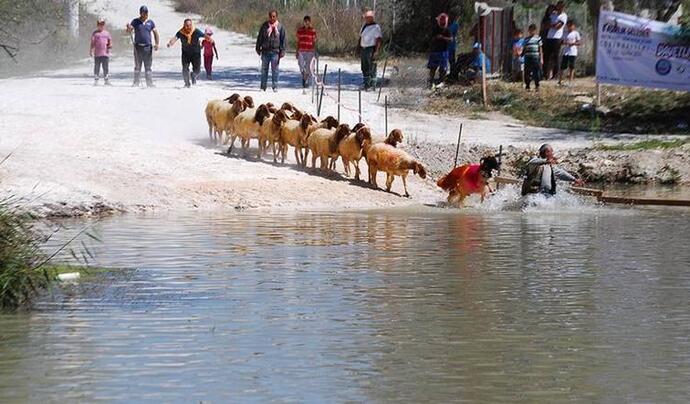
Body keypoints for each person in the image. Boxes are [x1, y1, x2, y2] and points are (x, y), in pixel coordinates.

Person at [126, 5, 159, 88]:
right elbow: (129, 31)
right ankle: (136, 82)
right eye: (143, 12)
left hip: (148, 47)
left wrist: (157, 43)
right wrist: (128, 28)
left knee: (148, 66)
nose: (144, 14)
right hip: (138, 47)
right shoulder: (135, 21)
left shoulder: (150, 22)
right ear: (140, 13)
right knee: (137, 65)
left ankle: (149, 83)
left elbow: (155, 33)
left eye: (146, 12)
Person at [167, 18, 204, 88]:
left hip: (196, 54)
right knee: (185, 69)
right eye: (186, 25)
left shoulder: (196, 31)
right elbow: (175, 38)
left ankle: (193, 75)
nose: (188, 27)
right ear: (184, 25)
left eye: (189, 25)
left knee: (197, 70)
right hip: (186, 54)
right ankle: (187, 83)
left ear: (191, 25)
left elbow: (204, 36)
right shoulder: (181, 32)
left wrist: (211, 40)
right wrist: (170, 43)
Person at [255, 9, 286, 92]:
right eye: (271, 16)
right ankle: (263, 87)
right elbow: (260, 38)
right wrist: (258, 47)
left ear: (276, 17)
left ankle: (275, 86)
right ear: (268, 17)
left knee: (275, 70)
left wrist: (282, 51)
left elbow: (283, 39)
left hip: (275, 51)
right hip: (265, 51)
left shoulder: (280, 27)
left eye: (274, 16)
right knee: (264, 70)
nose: (272, 18)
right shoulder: (264, 26)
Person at [358, 9, 382, 91]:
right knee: (364, 67)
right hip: (364, 49)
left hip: (371, 48)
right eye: (366, 17)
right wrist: (358, 48)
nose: (366, 19)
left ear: (371, 18)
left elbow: (378, 39)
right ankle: (366, 84)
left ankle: (372, 85)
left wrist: (376, 51)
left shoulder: (376, 27)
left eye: (368, 17)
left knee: (371, 66)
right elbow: (361, 37)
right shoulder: (364, 26)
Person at [427, 13, 452, 89]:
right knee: (432, 67)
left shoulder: (447, 30)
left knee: (443, 68)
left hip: (443, 51)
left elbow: (451, 39)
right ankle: (431, 81)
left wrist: (443, 37)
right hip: (435, 51)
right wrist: (436, 38)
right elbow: (431, 39)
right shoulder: (435, 29)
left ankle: (442, 82)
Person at [544, 1, 567, 80]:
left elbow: (558, 26)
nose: (559, 7)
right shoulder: (552, 15)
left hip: (557, 38)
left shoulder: (563, 16)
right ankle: (545, 75)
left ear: (563, 7)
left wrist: (552, 25)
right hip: (549, 37)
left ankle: (555, 75)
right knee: (546, 56)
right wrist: (552, 25)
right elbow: (546, 24)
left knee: (555, 57)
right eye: (558, 6)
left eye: (561, 6)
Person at [296, 15, 317, 92]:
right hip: (301, 50)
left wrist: (314, 51)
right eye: (305, 22)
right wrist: (297, 51)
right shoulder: (300, 30)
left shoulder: (313, 31)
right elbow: (298, 42)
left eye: (308, 22)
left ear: (310, 22)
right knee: (301, 65)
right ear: (304, 22)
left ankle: (306, 80)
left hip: (310, 51)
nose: (307, 23)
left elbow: (314, 42)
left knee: (309, 66)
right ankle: (304, 76)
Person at [90, 17, 112, 86]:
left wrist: (110, 45)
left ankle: (106, 79)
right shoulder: (95, 33)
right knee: (97, 67)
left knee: (105, 67)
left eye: (102, 24)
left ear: (104, 25)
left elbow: (110, 41)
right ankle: (96, 79)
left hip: (105, 54)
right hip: (97, 54)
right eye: (99, 24)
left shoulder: (107, 33)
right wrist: (91, 51)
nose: (101, 26)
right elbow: (92, 43)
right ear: (97, 25)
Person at [558, 20, 581, 86]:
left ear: (573, 26)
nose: (569, 27)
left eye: (571, 25)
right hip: (565, 51)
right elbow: (561, 41)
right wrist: (565, 43)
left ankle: (570, 81)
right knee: (563, 66)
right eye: (568, 25)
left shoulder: (576, 33)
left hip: (573, 52)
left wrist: (573, 43)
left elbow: (579, 42)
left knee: (572, 67)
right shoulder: (564, 33)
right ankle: (560, 80)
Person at [522, 24, 543, 92]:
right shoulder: (526, 39)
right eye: (530, 30)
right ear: (528, 31)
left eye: (533, 30)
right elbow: (524, 48)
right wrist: (522, 54)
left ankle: (537, 85)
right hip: (528, 57)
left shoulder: (538, 38)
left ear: (535, 31)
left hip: (535, 57)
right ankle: (527, 85)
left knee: (536, 72)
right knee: (527, 72)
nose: (532, 32)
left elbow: (540, 48)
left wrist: (541, 58)